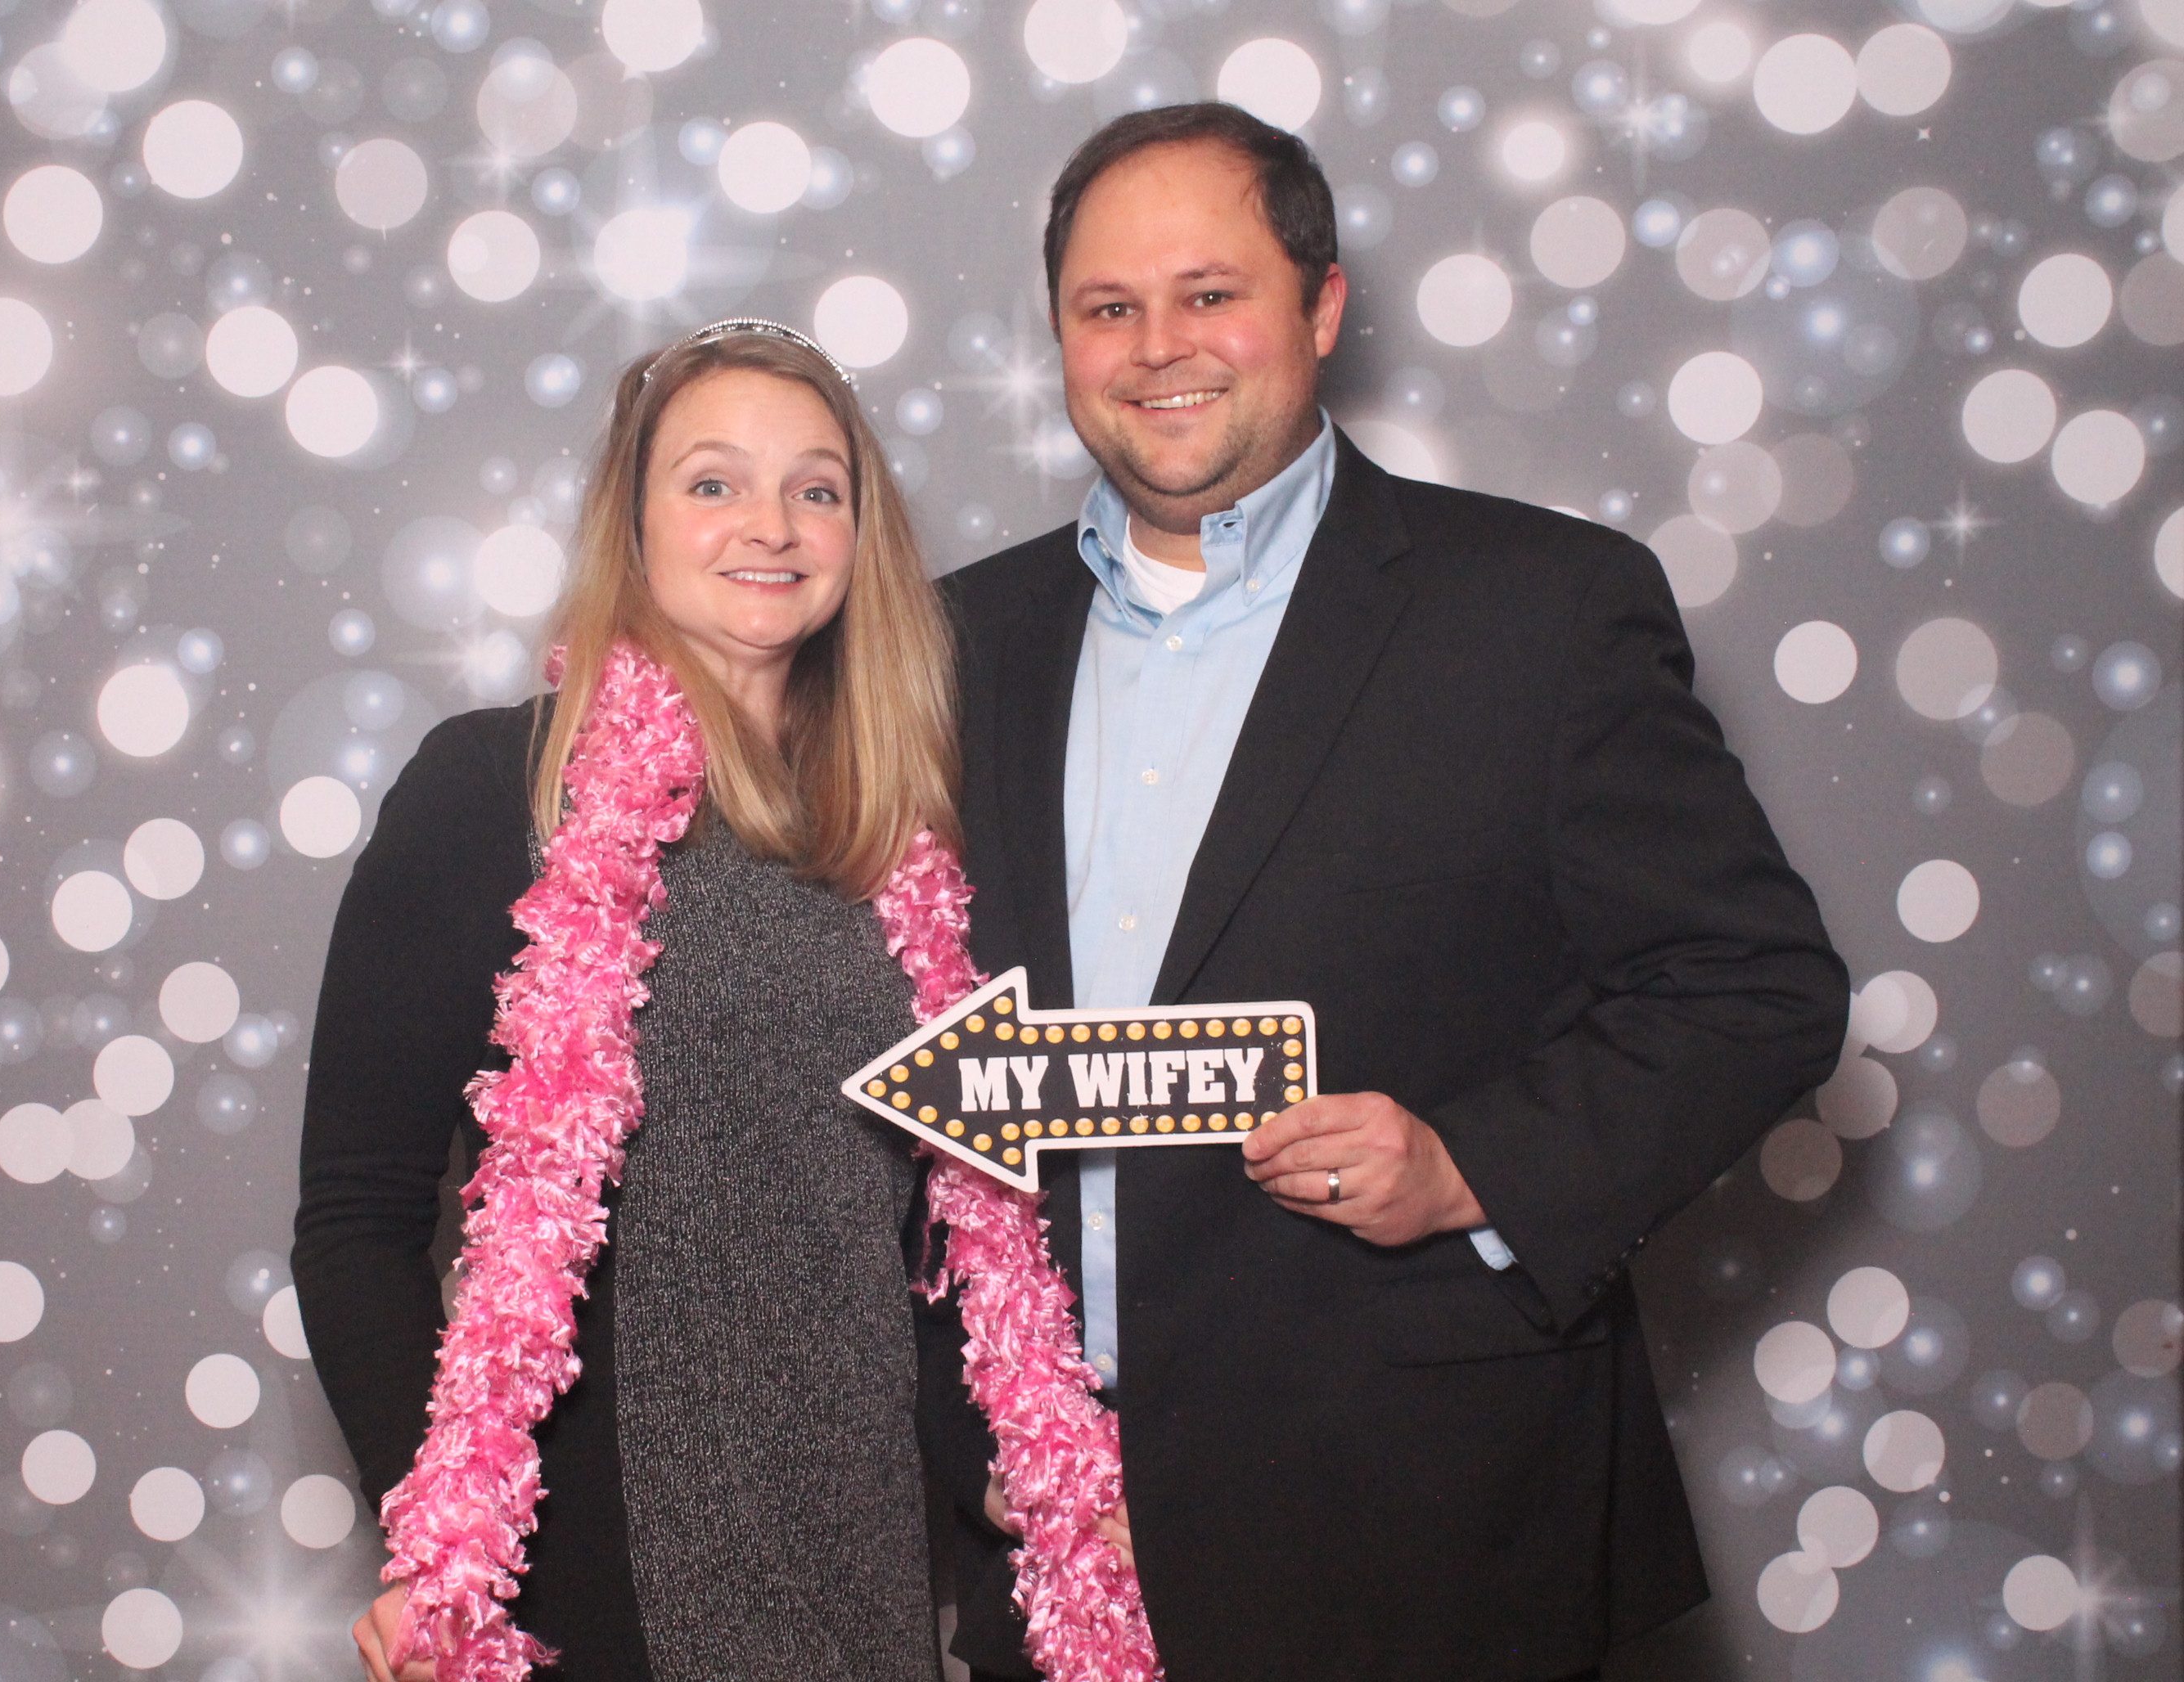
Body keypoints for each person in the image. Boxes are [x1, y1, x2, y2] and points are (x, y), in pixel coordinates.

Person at [921, 103, 1851, 1681]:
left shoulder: (1544, 614)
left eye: (1210, 293)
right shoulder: (945, 647)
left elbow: (1757, 989)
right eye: (1108, 308)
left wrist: (1472, 1167)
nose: (1160, 347)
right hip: (1046, 1534)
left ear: (1323, 308)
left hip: (1427, 1535)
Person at [292, 320, 961, 1682]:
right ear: (635, 523)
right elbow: (356, 1219)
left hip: (866, 1563)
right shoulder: (499, 790)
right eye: (713, 482)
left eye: (816, 487)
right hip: (595, 1573)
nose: (769, 524)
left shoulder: (909, 834)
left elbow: (943, 1235)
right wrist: (443, 1540)